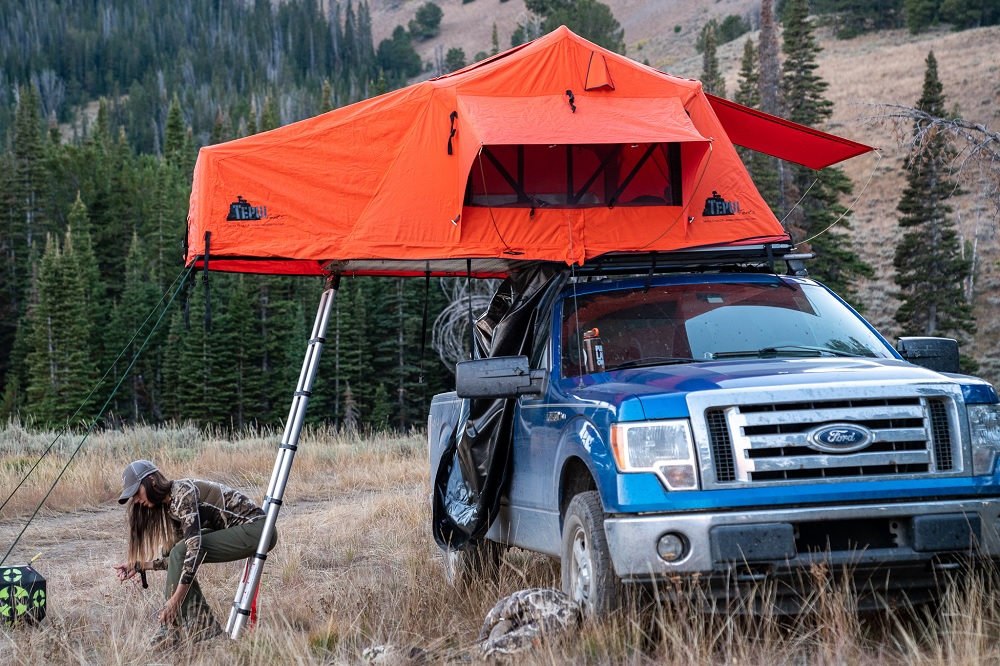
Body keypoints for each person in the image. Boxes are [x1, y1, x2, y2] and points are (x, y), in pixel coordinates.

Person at [113, 460, 277, 645]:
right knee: (170, 549)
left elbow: (192, 551)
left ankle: (189, 624)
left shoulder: (182, 493)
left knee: (181, 550)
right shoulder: (170, 506)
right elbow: (177, 559)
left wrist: (175, 601)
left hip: (258, 531)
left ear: (151, 480)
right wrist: (141, 565)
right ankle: (192, 622)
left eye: (136, 492)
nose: (135, 500)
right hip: (246, 531)